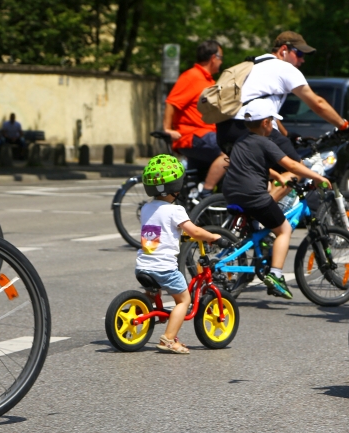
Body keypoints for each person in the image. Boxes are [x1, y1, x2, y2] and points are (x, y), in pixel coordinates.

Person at [221, 98, 332, 300]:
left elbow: (252, 164)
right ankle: (276, 275)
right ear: (265, 123)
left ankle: (259, 247)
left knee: (263, 222)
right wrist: (318, 177)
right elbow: (292, 165)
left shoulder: (242, 141)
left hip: (231, 192)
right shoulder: (266, 142)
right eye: (272, 121)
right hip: (253, 195)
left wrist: (276, 176)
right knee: (284, 230)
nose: (273, 125)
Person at [135, 154, 224, 354]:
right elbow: (194, 232)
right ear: (176, 186)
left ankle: (136, 313)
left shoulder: (146, 208)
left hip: (142, 265)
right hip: (164, 269)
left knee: (151, 294)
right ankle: (168, 339)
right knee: (184, 300)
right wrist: (211, 236)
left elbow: (158, 231)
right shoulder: (176, 210)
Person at [217, 31, 349, 161]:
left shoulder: (254, 64)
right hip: (251, 128)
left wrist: (287, 135)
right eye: (299, 53)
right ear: (283, 50)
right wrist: (343, 126)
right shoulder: (284, 68)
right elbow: (318, 104)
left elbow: (266, 111)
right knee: (296, 171)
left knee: (261, 175)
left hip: (225, 129)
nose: (302, 60)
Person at [163, 40, 228, 198]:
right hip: (194, 136)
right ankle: (206, 193)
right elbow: (172, 102)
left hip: (204, 136)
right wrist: (167, 129)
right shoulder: (192, 76)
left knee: (201, 174)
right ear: (213, 57)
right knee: (230, 154)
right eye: (221, 58)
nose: (221, 62)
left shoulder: (208, 80)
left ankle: (199, 206)